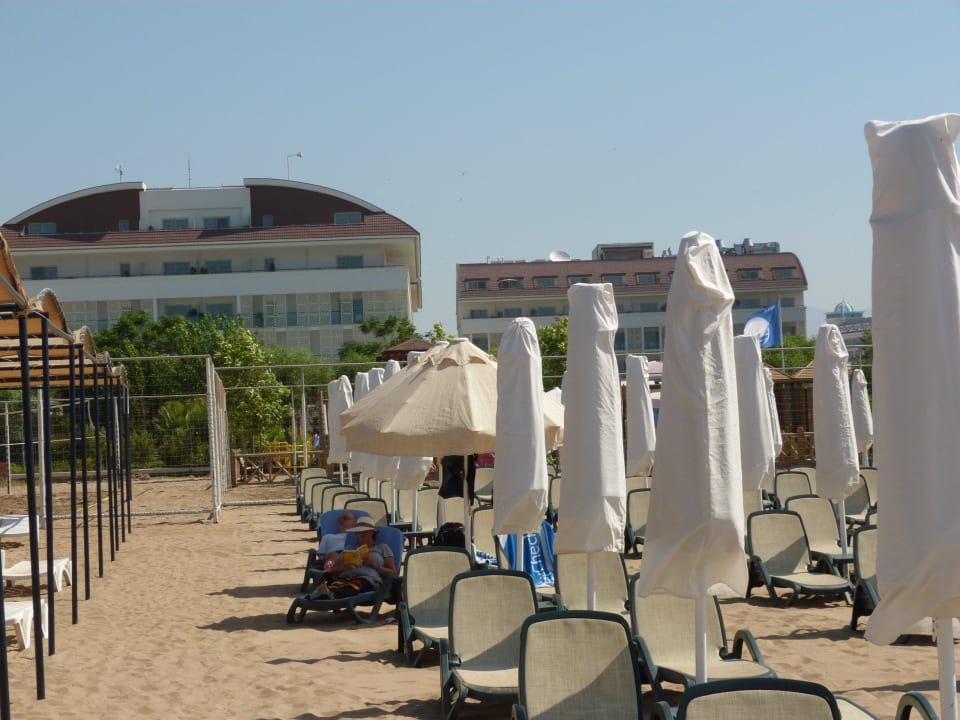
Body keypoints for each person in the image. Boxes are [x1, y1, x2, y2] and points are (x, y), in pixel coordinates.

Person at [315, 518, 396, 599]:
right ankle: (326, 594)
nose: (361, 534)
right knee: (339, 584)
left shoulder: (382, 547)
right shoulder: (349, 549)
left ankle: (329, 594)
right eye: (358, 532)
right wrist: (343, 568)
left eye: (364, 531)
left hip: (368, 580)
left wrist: (375, 565)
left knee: (356, 585)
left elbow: (393, 573)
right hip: (345, 578)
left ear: (372, 532)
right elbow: (332, 570)